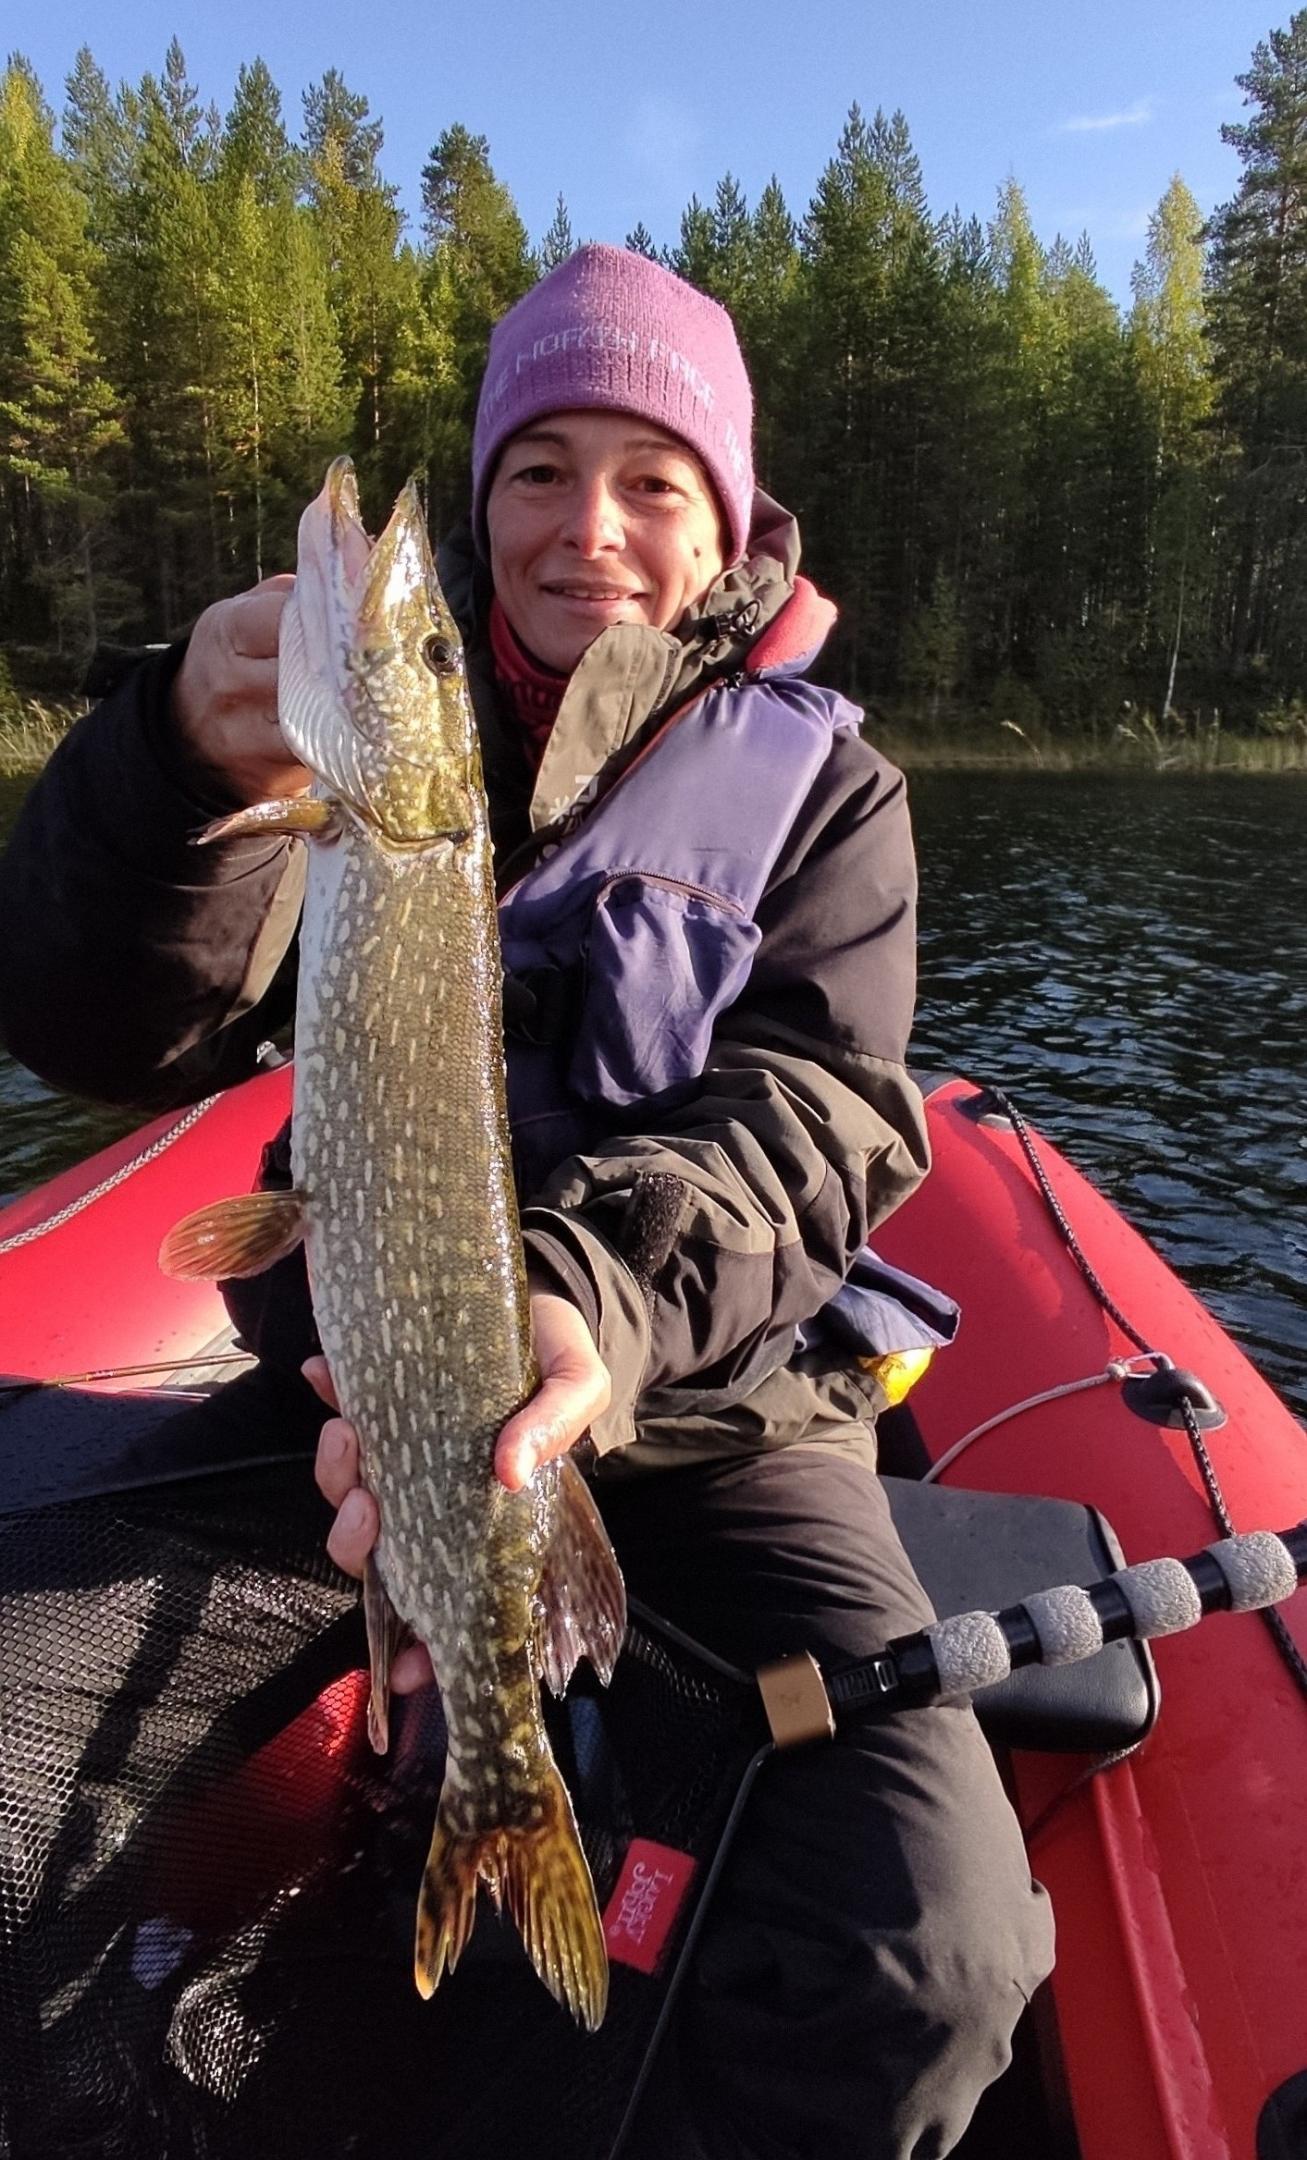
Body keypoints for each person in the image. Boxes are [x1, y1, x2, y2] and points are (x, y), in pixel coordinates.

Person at [0, 245, 1053, 2157]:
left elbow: (816, 1122)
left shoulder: (830, 800)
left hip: (718, 1425)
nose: (588, 527)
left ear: (726, 517)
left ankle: (495, 1833)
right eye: (539, 470)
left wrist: (585, 1302)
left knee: (925, 1953)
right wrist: (159, 763)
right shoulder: (322, 782)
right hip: (353, 1392)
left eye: (651, 478)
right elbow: (95, 1026)